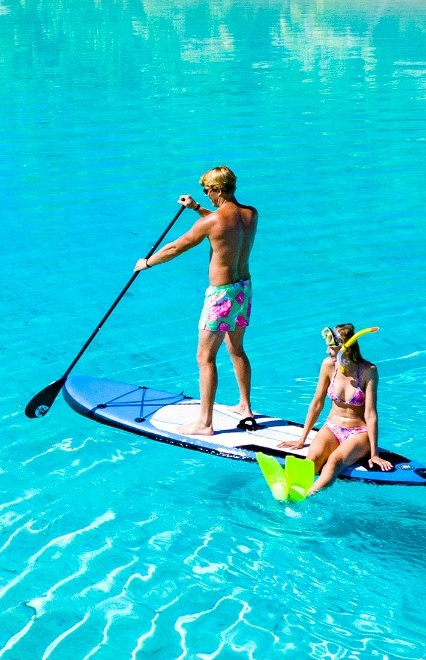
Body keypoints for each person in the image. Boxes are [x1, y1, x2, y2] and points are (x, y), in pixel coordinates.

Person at [132, 166, 258, 436]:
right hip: (243, 289)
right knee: (237, 350)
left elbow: (177, 246)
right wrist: (197, 207)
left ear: (219, 190)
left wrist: (147, 263)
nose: (206, 194)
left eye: (207, 190)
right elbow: (224, 225)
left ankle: (205, 423)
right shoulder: (250, 214)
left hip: (221, 294)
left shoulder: (212, 222)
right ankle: (245, 407)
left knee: (205, 358)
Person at [278, 324, 395, 496]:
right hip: (332, 427)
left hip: (359, 432)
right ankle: (290, 492)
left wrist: (374, 453)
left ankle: (305, 497)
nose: (327, 352)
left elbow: (371, 414)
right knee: (311, 461)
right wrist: (301, 439)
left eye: (332, 349)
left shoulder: (368, 371)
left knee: (334, 462)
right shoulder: (328, 365)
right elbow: (317, 402)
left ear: (344, 350)